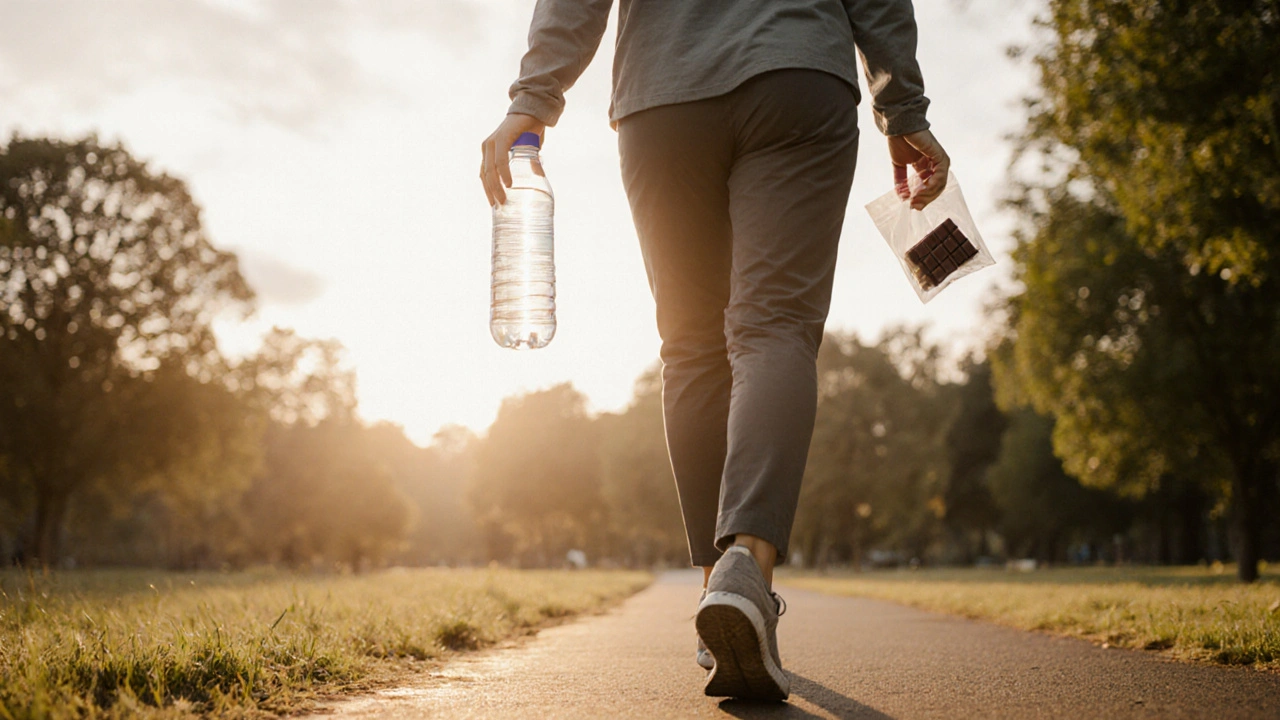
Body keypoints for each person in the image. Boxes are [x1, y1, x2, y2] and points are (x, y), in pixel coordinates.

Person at [480, 0, 949, 703]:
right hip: (797, 72)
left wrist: (534, 98)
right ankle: (746, 572)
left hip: (663, 94)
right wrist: (903, 109)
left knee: (693, 348)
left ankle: (718, 592)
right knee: (775, 328)